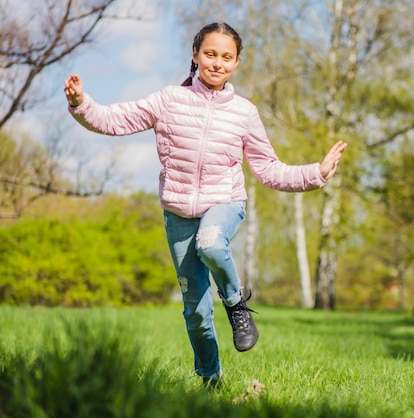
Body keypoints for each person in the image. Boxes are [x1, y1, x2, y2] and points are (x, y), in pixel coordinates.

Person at [64, 22, 347, 387]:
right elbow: (116, 120)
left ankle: (235, 304)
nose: (217, 63)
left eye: (226, 57)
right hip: (178, 213)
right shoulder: (169, 100)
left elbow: (268, 169)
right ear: (195, 56)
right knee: (195, 312)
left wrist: (317, 173)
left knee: (211, 243)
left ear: (237, 63)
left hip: (225, 203)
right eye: (210, 54)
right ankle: (211, 379)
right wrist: (80, 104)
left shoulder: (244, 113)